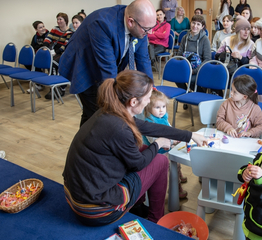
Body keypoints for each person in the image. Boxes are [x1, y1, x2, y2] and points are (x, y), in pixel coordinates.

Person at [63, 70, 207, 226]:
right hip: (97, 210)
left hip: (77, 196)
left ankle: (137, 207)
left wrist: (189, 135)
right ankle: (155, 220)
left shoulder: (111, 111)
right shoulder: (120, 127)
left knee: (145, 148)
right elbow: (138, 164)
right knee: (160, 161)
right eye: (147, 98)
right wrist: (158, 144)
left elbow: (149, 127)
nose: (148, 102)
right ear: (133, 102)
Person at [59, 0, 156, 127]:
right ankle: (89, 144)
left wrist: (151, 91)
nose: (150, 33)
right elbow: (108, 70)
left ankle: (82, 145)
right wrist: (119, 103)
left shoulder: (140, 25)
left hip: (105, 67)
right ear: (130, 21)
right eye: (147, 29)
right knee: (104, 118)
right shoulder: (102, 23)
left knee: (92, 116)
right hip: (85, 69)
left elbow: (143, 60)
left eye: (152, 28)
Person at [142, 90, 188, 199]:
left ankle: (178, 173)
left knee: (177, 157)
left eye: (163, 106)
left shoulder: (163, 117)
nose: (161, 110)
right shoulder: (149, 122)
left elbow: (169, 129)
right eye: (157, 107)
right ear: (148, 108)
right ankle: (176, 188)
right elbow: (155, 140)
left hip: (167, 148)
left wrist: (176, 138)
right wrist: (172, 141)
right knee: (173, 165)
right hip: (157, 153)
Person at [175, 15, 211, 93]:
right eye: (193, 23)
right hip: (186, 67)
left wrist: (194, 70)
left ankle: (200, 93)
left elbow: (207, 59)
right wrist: (181, 67)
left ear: (202, 26)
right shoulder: (185, 37)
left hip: (198, 69)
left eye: (198, 24)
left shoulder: (205, 39)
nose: (195, 26)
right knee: (177, 77)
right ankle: (186, 94)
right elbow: (180, 54)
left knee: (191, 80)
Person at [43, 12, 73, 98]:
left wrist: (57, 52)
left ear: (65, 20)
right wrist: (45, 47)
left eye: (60, 19)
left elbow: (65, 45)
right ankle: (53, 87)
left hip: (62, 53)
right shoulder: (54, 29)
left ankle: (60, 88)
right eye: (57, 19)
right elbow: (48, 38)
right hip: (52, 51)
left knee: (54, 64)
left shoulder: (69, 32)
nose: (58, 21)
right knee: (48, 63)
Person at [25, 20, 49, 93]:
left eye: (43, 26)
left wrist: (39, 46)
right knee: (28, 63)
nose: (43, 28)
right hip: (38, 56)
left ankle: (40, 82)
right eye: (40, 27)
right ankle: (39, 82)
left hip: (46, 56)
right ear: (36, 29)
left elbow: (47, 46)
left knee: (37, 64)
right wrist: (40, 46)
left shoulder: (49, 35)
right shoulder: (35, 37)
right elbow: (33, 47)